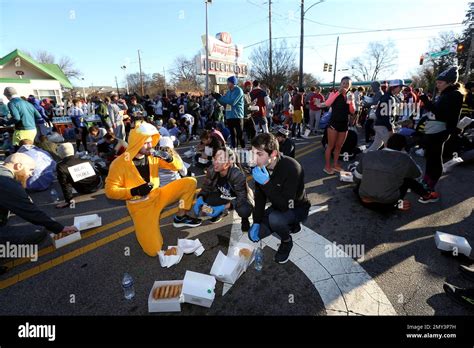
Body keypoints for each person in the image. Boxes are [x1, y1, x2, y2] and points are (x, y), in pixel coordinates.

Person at [105, 122, 202, 257]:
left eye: (151, 142)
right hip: (141, 206)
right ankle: (150, 228)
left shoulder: (152, 155)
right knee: (153, 250)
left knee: (190, 182)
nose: (150, 146)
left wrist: (169, 158)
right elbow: (110, 191)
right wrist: (134, 192)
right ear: (135, 142)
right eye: (146, 143)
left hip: (159, 195)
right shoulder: (119, 164)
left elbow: (178, 167)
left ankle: (181, 217)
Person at [247, 133, 311, 264]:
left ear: (273, 154)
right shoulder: (260, 168)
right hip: (277, 204)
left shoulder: (292, 167)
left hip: (296, 206)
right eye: (252, 153)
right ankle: (291, 225)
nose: (254, 158)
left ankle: (287, 241)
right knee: (254, 234)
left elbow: (286, 205)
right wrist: (256, 221)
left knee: (275, 219)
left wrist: (266, 183)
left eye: (259, 154)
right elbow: (259, 199)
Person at [0, 153, 78, 245]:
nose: (31, 174)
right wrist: (60, 228)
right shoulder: (7, 183)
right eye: (30, 170)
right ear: (18, 166)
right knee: (38, 232)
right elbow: (32, 213)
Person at [353, 134, 439, 212]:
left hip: (363, 199)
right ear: (403, 148)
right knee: (408, 179)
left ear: (386, 144)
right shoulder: (405, 159)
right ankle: (426, 195)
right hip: (388, 203)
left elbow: (356, 178)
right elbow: (418, 175)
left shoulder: (370, 154)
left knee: (365, 176)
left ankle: (386, 202)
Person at [418, 67, 466, 192]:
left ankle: (430, 184)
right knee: (430, 156)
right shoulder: (446, 94)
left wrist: (426, 101)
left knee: (435, 157)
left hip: (441, 130)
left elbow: (441, 114)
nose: (437, 85)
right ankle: (426, 179)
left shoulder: (455, 94)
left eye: (440, 82)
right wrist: (426, 101)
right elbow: (437, 110)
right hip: (435, 129)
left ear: (450, 82)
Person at [193, 147, 253, 230]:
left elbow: (242, 198)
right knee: (206, 202)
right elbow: (206, 187)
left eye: (220, 160)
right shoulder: (212, 170)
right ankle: (221, 212)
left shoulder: (237, 175)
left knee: (244, 209)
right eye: (214, 158)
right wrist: (200, 197)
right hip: (224, 195)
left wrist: (223, 206)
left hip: (237, 198)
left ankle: (245, 220)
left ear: (228, 164)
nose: (215, 162)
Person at [318, 77, 356, 174]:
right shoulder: (334, 93)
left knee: (339, 146)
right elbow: (327, 103)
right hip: (334, 124)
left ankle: (335, 165)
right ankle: (327, 167)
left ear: (350, 86)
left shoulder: (350, 95)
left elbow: (352, 111)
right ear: (340, 84)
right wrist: (338, 93)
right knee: (330, 146)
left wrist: (351, 102)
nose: (345, 85)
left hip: (344, 124)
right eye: (344, 83)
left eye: (348, 83)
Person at [55, 143, 102, 209]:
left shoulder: (61, 166)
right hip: (98, 185)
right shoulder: (86, 160)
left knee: (65, 176)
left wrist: (68, 200)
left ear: (60, 153)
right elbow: (97, 171)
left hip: (83, 190)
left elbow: (64, 183)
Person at [367, 80, 405, 152]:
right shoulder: (389, 98)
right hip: (383, 126)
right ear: (394, 87)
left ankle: (365, 156)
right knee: (390, 148)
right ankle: (385, 162)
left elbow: (382, 113)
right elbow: (385, 116)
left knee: (376, 145)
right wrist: (390, 129)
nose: (402, 89)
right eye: (400, 87)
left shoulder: (387, 96)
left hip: (380, 124)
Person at [212, 76, 245, 149]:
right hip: (229, 115)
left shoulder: (238, 90)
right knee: (233, 134)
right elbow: (224, 103)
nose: (227, 83)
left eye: (228, 82)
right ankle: (234, 149)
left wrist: (221, 98)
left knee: (240, 134)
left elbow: (232, 102)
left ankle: (243, 148)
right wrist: (217, 98)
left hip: (237, 116)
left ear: (233, 83)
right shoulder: (228, 92)